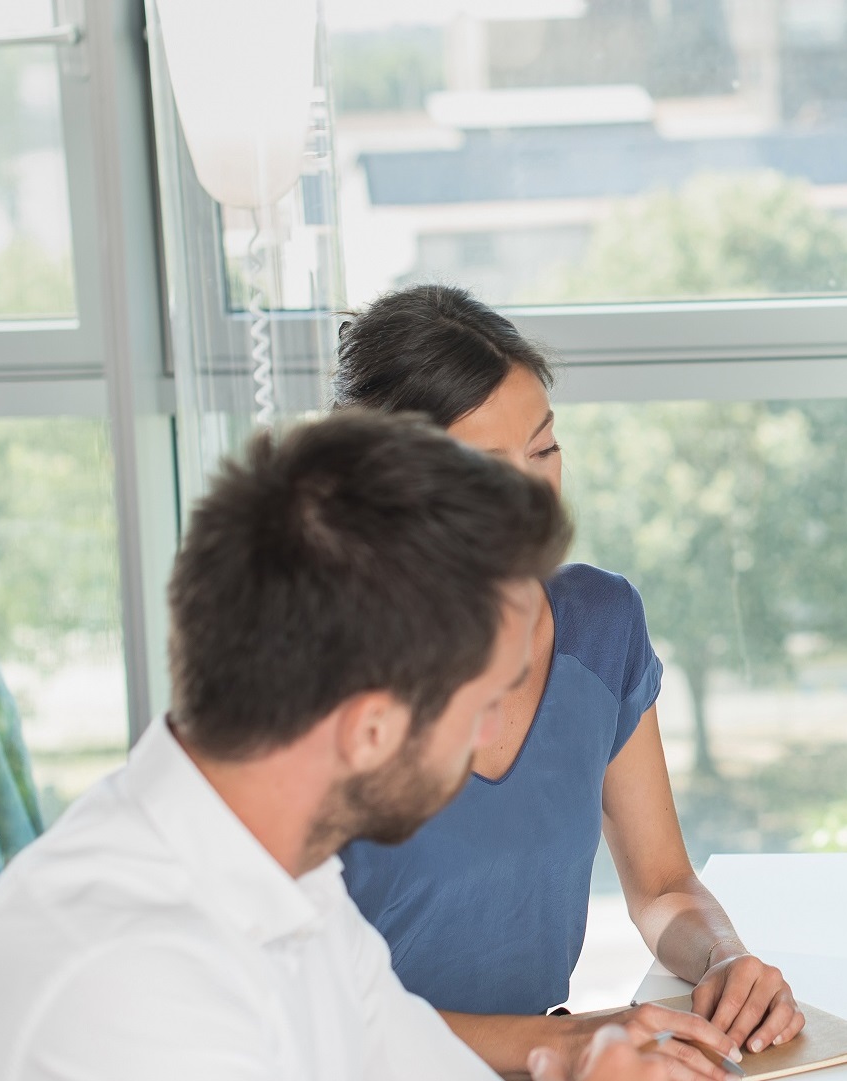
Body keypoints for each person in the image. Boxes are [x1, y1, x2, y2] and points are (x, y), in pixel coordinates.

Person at [0, 412, 727, 1081]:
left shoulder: (285, 876)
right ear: (372, 727)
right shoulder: (130, 981)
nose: (495, 737)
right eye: (481, 702)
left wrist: (579, 1058)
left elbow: (406, 1059)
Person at [328, 284, 804, 1072]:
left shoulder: (600, 623)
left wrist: (722, 958)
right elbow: (294, 1002)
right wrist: (558, 1041)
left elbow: (661, 883)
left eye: (544, 451)